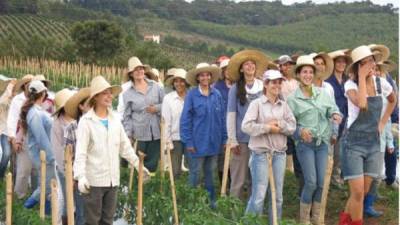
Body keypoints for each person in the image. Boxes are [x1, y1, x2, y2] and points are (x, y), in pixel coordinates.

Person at [73, 76, 150, 225]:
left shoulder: (115, 120)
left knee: (107, 220)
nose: (110, 96)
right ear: (95, 97)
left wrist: (138, 166)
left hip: (112, 180)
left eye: (110, 93)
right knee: (93, 221)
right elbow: (80, 152)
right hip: (94, 181)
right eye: (105, 93)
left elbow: (125, 147)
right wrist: (80, 176)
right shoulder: (86, 122)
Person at [338, 45, 396, 225]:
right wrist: (362, 77)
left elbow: (393, 100)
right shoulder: (350, 85)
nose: (370, 65)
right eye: (364, 63)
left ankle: (344, 221)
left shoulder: (382, 83)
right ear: (357, 66)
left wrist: (382, 122)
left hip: (373, 144)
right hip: (353, 144)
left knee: (362, 192)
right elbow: (362, 104)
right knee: (356, 193)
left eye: (371, 61)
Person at [287, 55, 342, 225]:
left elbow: (333, 109)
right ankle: (304, 220)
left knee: (320, 183)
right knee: (310, 181)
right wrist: (299, 132)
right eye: (304, 72)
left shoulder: (323, 93)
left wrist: (335, 114)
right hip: (305, 145)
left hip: (322, 143)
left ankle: (316, 219)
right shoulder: (292, 99)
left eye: (311, 72)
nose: (308, 75)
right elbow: (288, 125)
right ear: (298, 74)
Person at [242, 70, 296, 225]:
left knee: (278, 196)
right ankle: (251, 223)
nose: (277, 85)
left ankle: (275, 222)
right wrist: (266, 127)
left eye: (279, 82)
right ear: (265, 84)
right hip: (261, 154)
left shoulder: (284, 106)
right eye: (273, 82)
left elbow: (292, 127)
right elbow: (246, 126)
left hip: (279, 154)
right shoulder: (256, 104)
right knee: (259, 195)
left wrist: (280, 125)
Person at [225, 49, 270, 200]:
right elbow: (231, 115)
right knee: (238, 178)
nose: (250, 66)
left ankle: (253, 214)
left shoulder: (263, 87)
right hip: (242, 139)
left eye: (252, 64)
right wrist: (232, 139)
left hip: (260, 139)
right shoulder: (235, 89)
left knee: (256, 178)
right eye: (246, 64)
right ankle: (233, 210)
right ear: (241, 69)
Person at [180, 63, 227, 207]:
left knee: (210, 174)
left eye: (207, 74)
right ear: (197, 78)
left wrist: (224, 138)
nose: (205, 77)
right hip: (197, 143)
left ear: (211, 77)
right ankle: (191, 203)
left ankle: (211, 201)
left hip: (214, 143)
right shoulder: (192, 95)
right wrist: (189, 142)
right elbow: (185, 120)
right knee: (195, 174)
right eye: (202, 75)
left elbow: (222, 118)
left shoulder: (216, 94)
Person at [20, 80, 56, 214]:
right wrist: (52, 157)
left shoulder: (36, 110)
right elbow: (41, 138)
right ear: (43, 94)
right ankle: (24, 210)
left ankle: (47, 214)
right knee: (46, 187)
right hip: (42, 155)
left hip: (44, 153)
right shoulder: (34, 114)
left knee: (49, 185)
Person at [122, 57, 164, 172]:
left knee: (152, 165)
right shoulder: (127, 94)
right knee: (139, 165)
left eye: (140, 69)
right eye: (135, 70)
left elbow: (165, 105)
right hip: (139, 135)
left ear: (144, 71)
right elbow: (127, 116)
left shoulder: (156, 86)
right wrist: (129, 134)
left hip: (156, 133)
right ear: (131, 74)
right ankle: (139, 186)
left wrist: (156, 108)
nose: (139, 71)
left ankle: (150, 188)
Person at [63, 87, 91, 225]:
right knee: (81, 213)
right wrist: (73, 179)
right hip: (80, 177)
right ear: (81, 107)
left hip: (97, 176)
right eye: (89, 104)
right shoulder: (72, 128)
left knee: (95, 214)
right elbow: (68, 158)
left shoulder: (99, 125)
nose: (92, 107)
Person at [326, 49, 352, 188]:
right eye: (339, 61)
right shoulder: (328, 81)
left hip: (345, 120)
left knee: (340, 152)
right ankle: (329, 179)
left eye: (343, 62)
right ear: (334, 63)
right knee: (331, 151)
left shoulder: (347, 81)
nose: (341, 64)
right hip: (332, 120)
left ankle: (336, 177)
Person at [7, 74, 35, 199]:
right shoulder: (17, 100)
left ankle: (31, 195)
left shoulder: (35, 99)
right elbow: (12, 119)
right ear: (24, 86)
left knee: (32, 168)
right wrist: (13, 138)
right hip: (18, 136)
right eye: (29, 84)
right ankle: (16, 195)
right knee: (18, 167)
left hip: (31, 137)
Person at [50, 88, 75, 224]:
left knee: (77, 200)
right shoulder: (57, 125)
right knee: (65, 198)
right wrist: (67, 172)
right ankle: (63, 221)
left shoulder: (79, 119)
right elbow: (58, 152)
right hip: (64, 169)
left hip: (78, 168)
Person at [161, 68, 189, 178]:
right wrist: (167, 141)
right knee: (175, 170)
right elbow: (166, 121)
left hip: (190, 137)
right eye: (176, 81)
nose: (179, 84)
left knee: (193, 168)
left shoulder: (191, 97)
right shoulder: (168, 99)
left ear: (186, 82)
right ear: (173, 83)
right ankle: (175, 192)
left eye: (182, 81)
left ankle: (191, 190)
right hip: (175, 138)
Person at [212, 58, 232, 184]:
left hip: (235, 125)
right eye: (226, 70)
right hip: (221, 125)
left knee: (235, 157)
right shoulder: (217, 87)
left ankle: (235, 180)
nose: (228, 72)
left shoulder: (239, 86)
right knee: (222, 156)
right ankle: (224, 182)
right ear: (223, 72)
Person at [0, 77, 16, 179]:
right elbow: (2, 102)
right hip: (5, 132)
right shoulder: (5, 101)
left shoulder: (18, 101)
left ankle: (11, 177)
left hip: (15, 133)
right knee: (6, 153)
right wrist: (10, 87)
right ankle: (1, 175)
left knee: (13, 156)